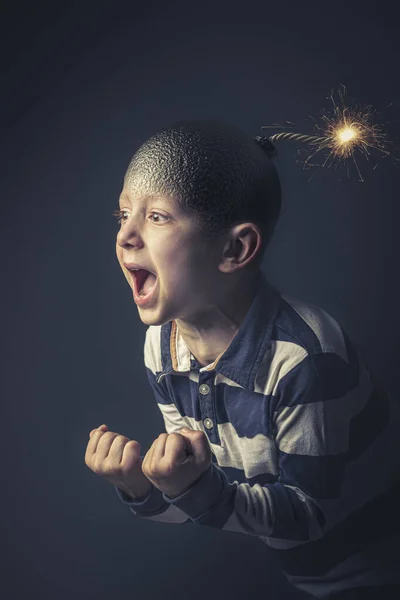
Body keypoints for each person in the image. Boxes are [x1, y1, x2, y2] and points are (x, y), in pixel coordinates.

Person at [85, 120, 400, 599]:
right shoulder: (161, 349)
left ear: (235, 248)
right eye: (123, 213)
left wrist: (191, 487)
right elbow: (201, 495)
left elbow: (306, 517)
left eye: (158, 217)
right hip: (309, 578)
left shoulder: (305, 359)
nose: (126, 235)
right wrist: (141, 487)